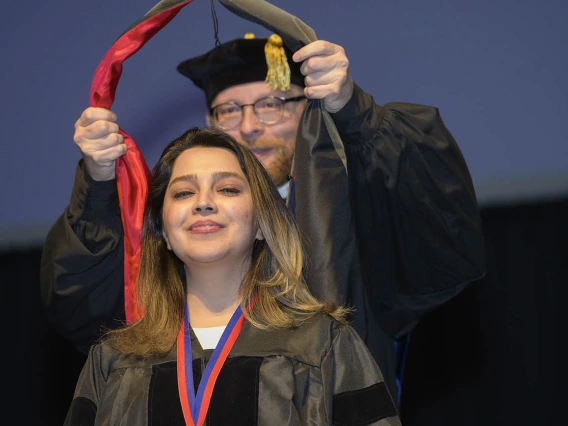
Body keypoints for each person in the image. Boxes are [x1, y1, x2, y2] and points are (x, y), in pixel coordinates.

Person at [41, 35, 486, 403]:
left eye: (271, 103)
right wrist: (99, 184)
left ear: (307, 112)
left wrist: (353, 111)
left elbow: (444, 237)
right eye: (229, 110)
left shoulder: (351, 211)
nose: (249, 126)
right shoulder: (180, 229)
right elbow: (82, 310)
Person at [63, 127, 401, 426]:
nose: (204, 203)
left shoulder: (322, 344)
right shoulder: (115, 359)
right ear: (162, 230)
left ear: (261, 223)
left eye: (227, 189)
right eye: (183, 193)